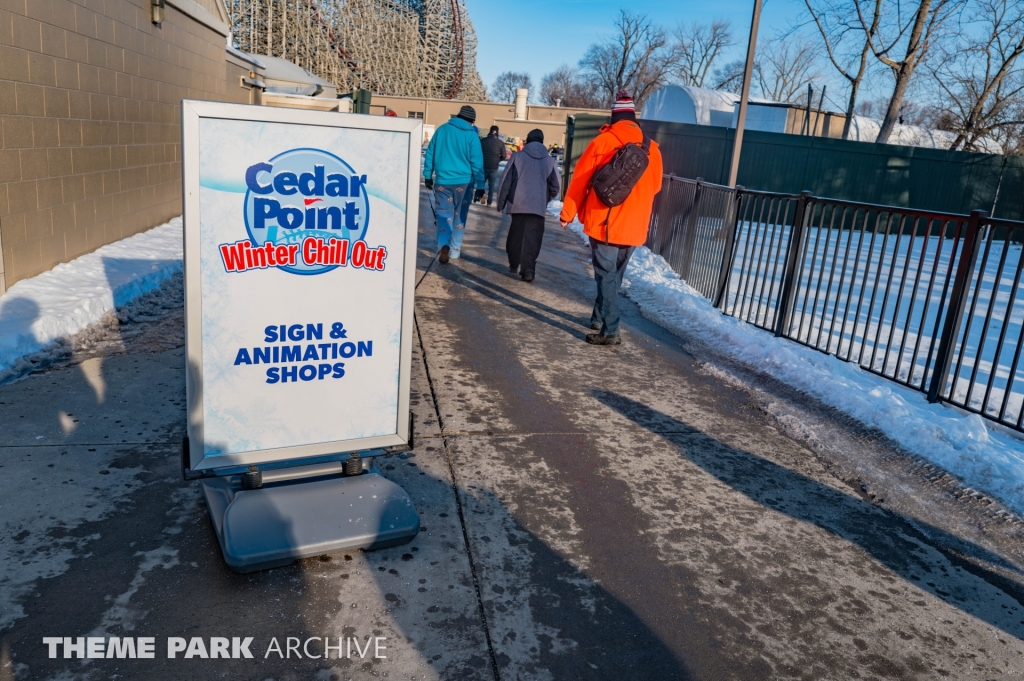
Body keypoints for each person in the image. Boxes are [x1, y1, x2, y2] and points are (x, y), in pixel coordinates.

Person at [559, 91, 663, 345]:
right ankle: (599, 317)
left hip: (605, 220)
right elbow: (657, 186)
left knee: (605, 275)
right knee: (613, 275)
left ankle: (611, 330)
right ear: (633, 118)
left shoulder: (603, 142)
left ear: (614, 116)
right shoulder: (653, 149)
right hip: (635, 224)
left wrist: (567, 213)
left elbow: (580, 180)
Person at [496, 129, 561, 283]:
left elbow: (506, 181)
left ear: (527, 140)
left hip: (518, 204)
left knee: (516, 235)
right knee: (533, 238)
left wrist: (501, 203)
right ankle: (529, 270)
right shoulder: (550, 161)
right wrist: (544, 198)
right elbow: (556, 186)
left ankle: (513, 262)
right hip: (537, 206)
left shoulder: (517, 157)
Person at [423, 105, 484, 263]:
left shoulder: (442, 130)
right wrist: (481, 185)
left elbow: (430, 153)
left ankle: (443, 244)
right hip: (464, 183)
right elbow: (477, 163)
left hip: (443, 181)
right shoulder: (472, 136)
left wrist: (428, 175)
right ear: (471, 121)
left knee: (443, 214)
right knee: (459, 216)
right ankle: (455, 251)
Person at [479, 125, 505, 206]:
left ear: (490, 131)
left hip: (484, 165)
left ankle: (482, 194)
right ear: (497, 132)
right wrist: (498, 160)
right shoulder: (500, 143)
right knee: (492, 185)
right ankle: (489, 203)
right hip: (494, 166)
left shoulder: (483, 141)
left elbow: (478, 153)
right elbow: (504, 156)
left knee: (482, 182)